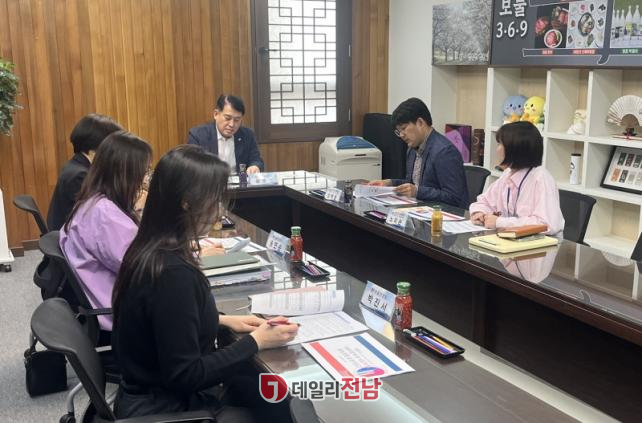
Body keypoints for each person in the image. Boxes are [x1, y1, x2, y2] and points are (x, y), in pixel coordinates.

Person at [112, 145, 297, 422]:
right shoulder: (172, 274)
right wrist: (256, 341)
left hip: (146, 394)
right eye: (215, 199)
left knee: (260, 387)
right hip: (169, 407)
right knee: (282, 401)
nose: (219, 210)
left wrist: (222, 320)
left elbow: (163, 322)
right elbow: (185, 375)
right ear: (187, 202)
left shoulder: (150, 248)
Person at [59, 131, 153, 331]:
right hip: (119, 315)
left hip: (103, 302)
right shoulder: (106, 215)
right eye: (144, 172)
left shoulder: (93, 201)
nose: (145, 179)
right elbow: (143, 270)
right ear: (127, 174)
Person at [369, 98, 468, 208]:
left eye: (404, 128)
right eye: (398, 132)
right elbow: (412, 183)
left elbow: (454, 197)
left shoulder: (444, 152)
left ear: (420, 123)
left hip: (442, 214)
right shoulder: (412, 148)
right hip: (420, 209)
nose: (401, 135)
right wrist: (389, 183)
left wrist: (417, 192)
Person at [469, 121, 565, 235]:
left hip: (540, 244)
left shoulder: (541, 178)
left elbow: (546, 225)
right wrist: (479, 213)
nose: (497, 150)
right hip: (510, 240)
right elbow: (484, 202)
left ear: (515, 149)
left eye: (500, 144)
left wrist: (500, 222)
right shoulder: (507, 174)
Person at [47, 114, 123, 230]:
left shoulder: (76, 166)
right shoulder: (80, 176)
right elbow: (100, 216)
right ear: (94, 151)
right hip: (70, 236)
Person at [187, 94, 265, 174]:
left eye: (237, 120)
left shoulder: (247, 135)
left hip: (239, 181)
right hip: (211, 180)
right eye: (227, 118)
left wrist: (255, 166)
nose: (232, 124)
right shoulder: (198, 135)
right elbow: (192, 166)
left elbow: (256, 160)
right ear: (216, 114)